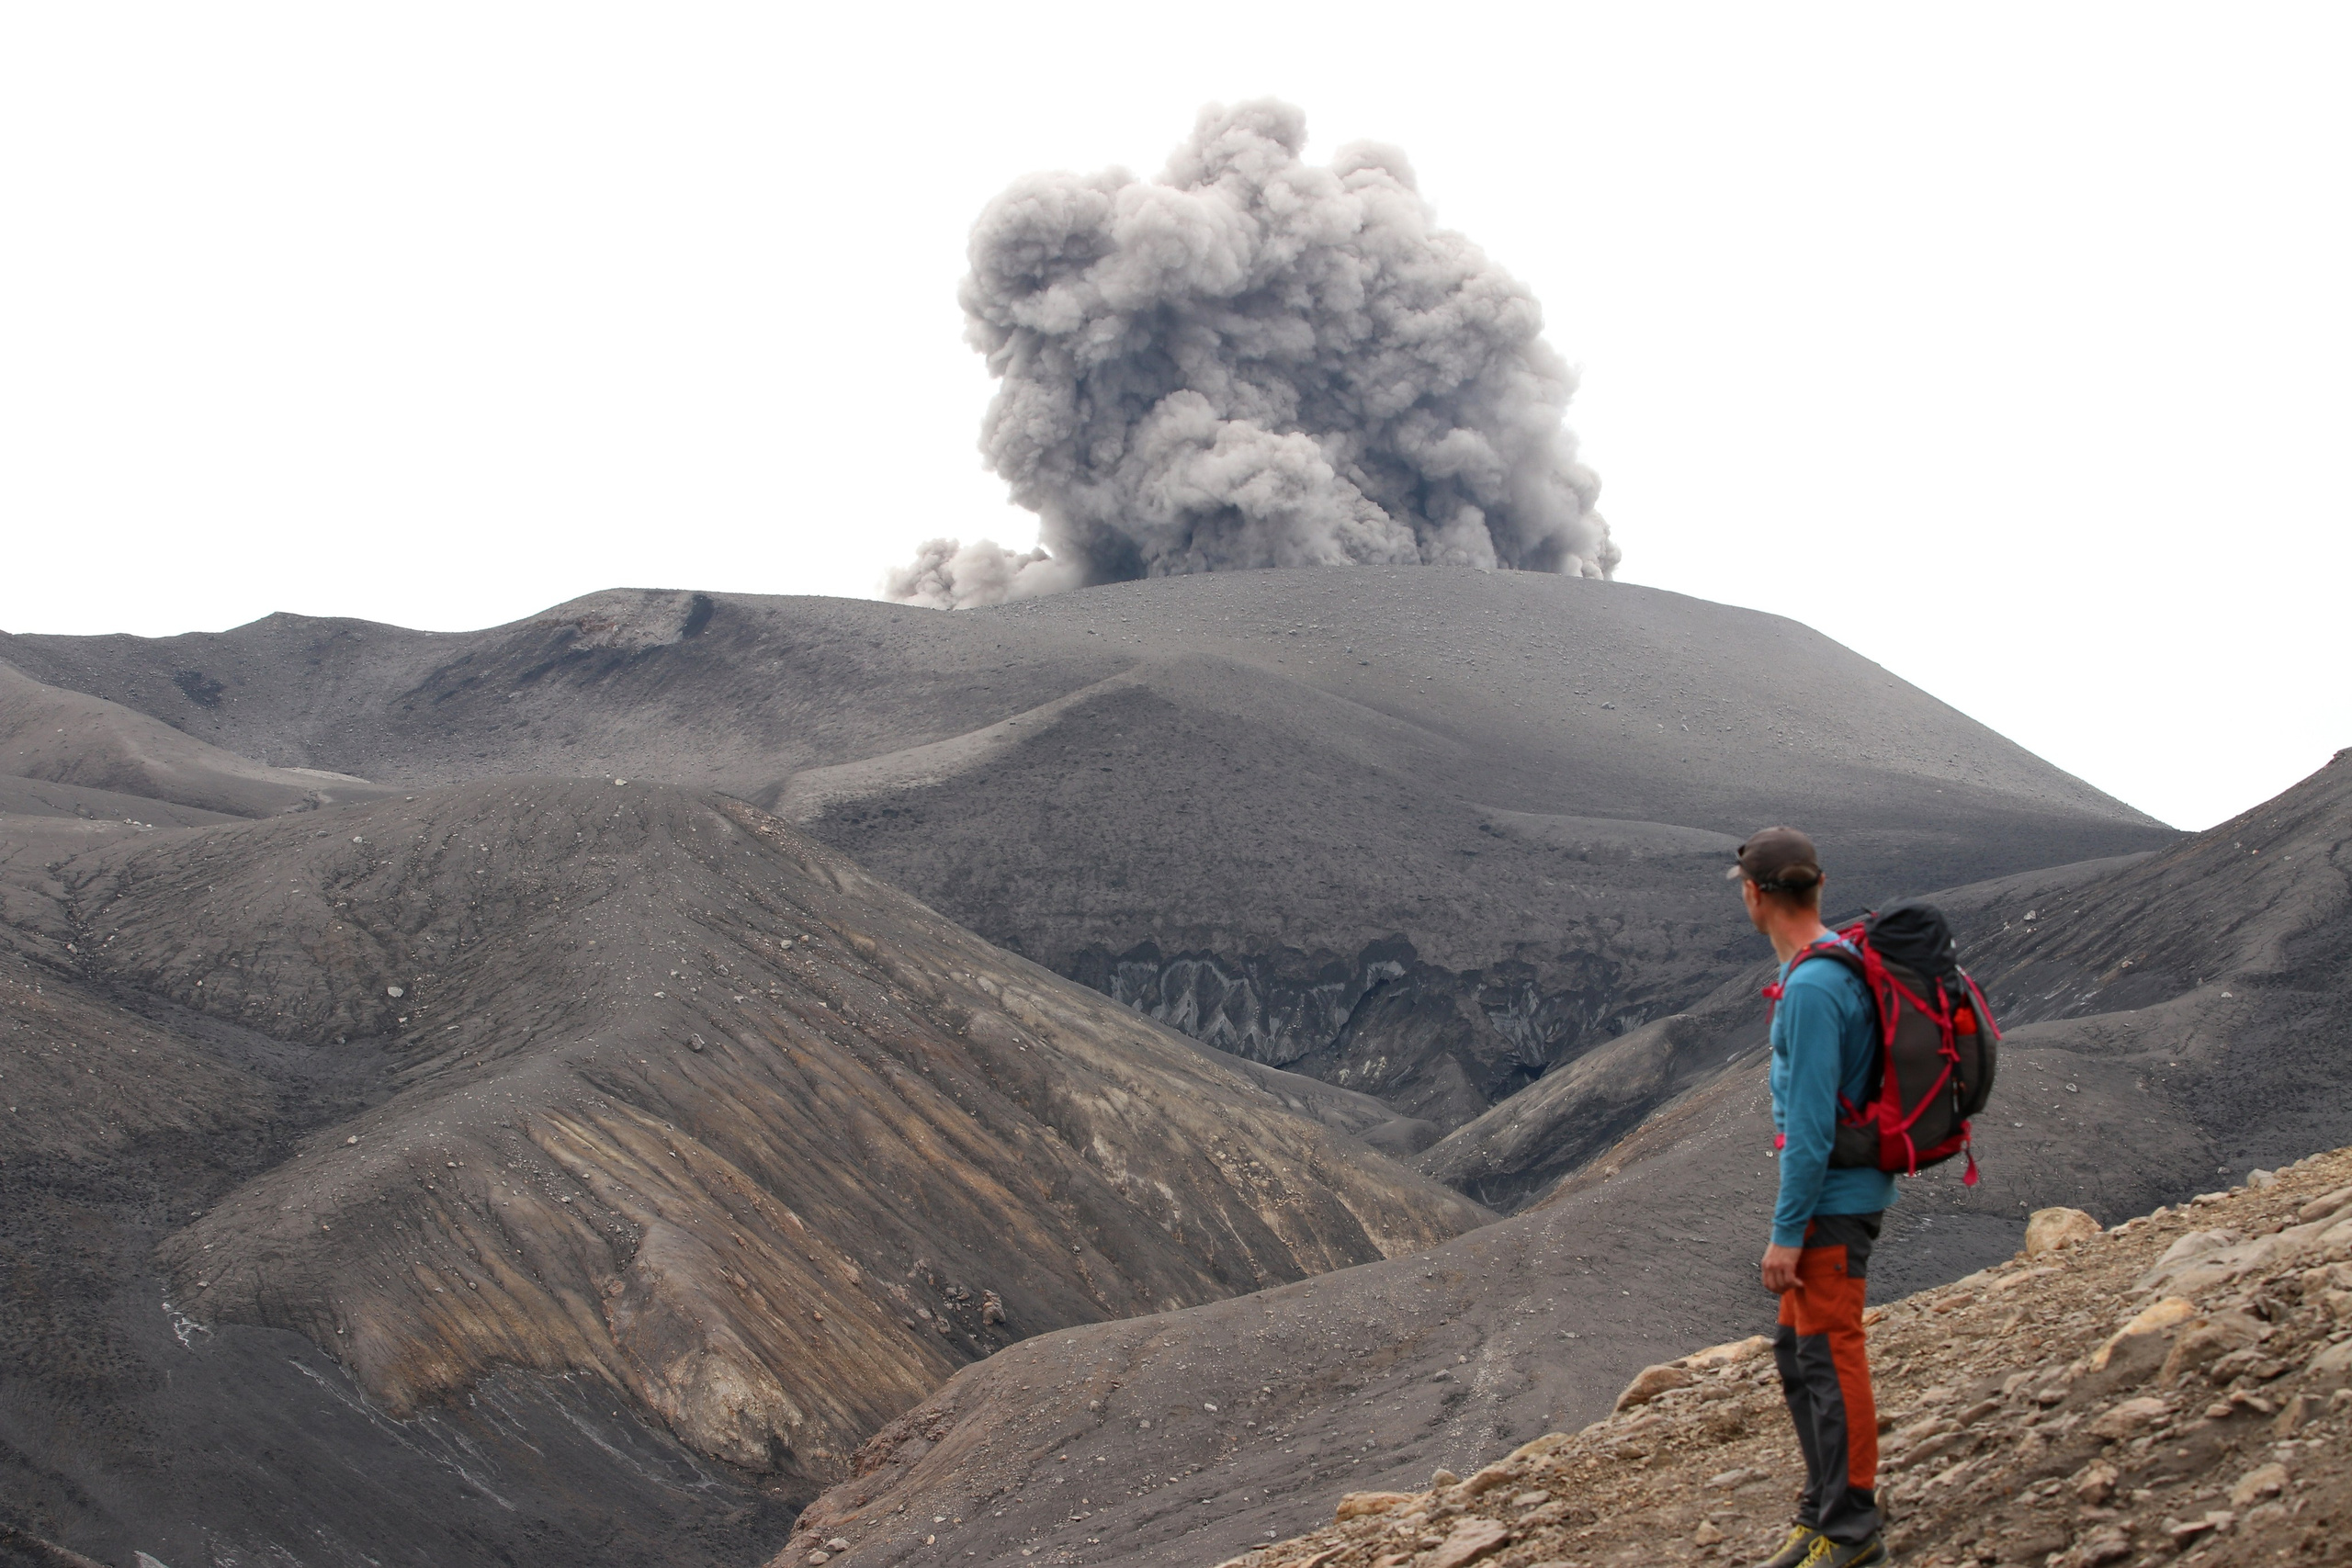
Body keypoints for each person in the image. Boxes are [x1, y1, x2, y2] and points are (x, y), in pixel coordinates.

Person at [1730, 828, 1894, 1568]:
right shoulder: (1833, 966)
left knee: (1829, 1353)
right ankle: (1821, 1511)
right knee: (1800, 1353)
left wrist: (1786, 1232)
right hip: (1838, 1191)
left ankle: (1853, 1530)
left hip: (1832, 1200)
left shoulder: (1814, 985)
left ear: (1756, 892)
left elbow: (1813, 1127)